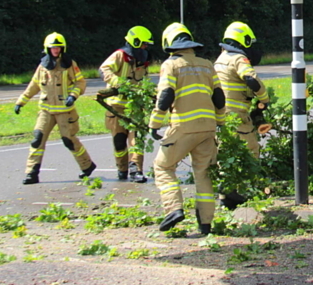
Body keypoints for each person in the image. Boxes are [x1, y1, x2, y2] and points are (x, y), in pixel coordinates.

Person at [148, 22, 225, 236]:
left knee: (163, 166)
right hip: (208, 127)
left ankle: (173, 209)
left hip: (183, 126)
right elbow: (219, 97)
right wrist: (220, 121)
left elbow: (165, 96)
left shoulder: (171, 65)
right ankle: (206, 223)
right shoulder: (207, 64)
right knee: (203, 173)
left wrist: (155, 123)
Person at [14, 32, 96, 184]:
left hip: (65, 112)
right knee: (37, 139)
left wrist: (73, 96)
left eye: (58, 48)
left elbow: (80, 83)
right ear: (47, 49)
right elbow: (34, 85)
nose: (56, 50)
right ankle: (31, 172)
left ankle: (87, 165)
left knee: (69, 140)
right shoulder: (43, 66)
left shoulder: (69, 64)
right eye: (53, 48)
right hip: (46, 111)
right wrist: (21, 102)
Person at [100, 25, 153, 183]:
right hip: (116, 107)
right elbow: (104, 69)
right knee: (119, 141)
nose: (145, 47)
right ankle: (121, 169)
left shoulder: (143, 60)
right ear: (135, 42)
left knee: (136, 139)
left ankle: (135, 169)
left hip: (135, 107)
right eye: (144, 43)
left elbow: (145, 81)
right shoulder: (119, 56)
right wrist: (118, 82)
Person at [215, 21, 269, 158]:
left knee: (225, 153)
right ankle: (252, 179)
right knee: (251, 152)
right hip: (237, 116)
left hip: (220, 115)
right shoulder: (239, 59)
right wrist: (264, 99)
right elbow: (251, 79)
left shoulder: (220, 59)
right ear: (245, 40)